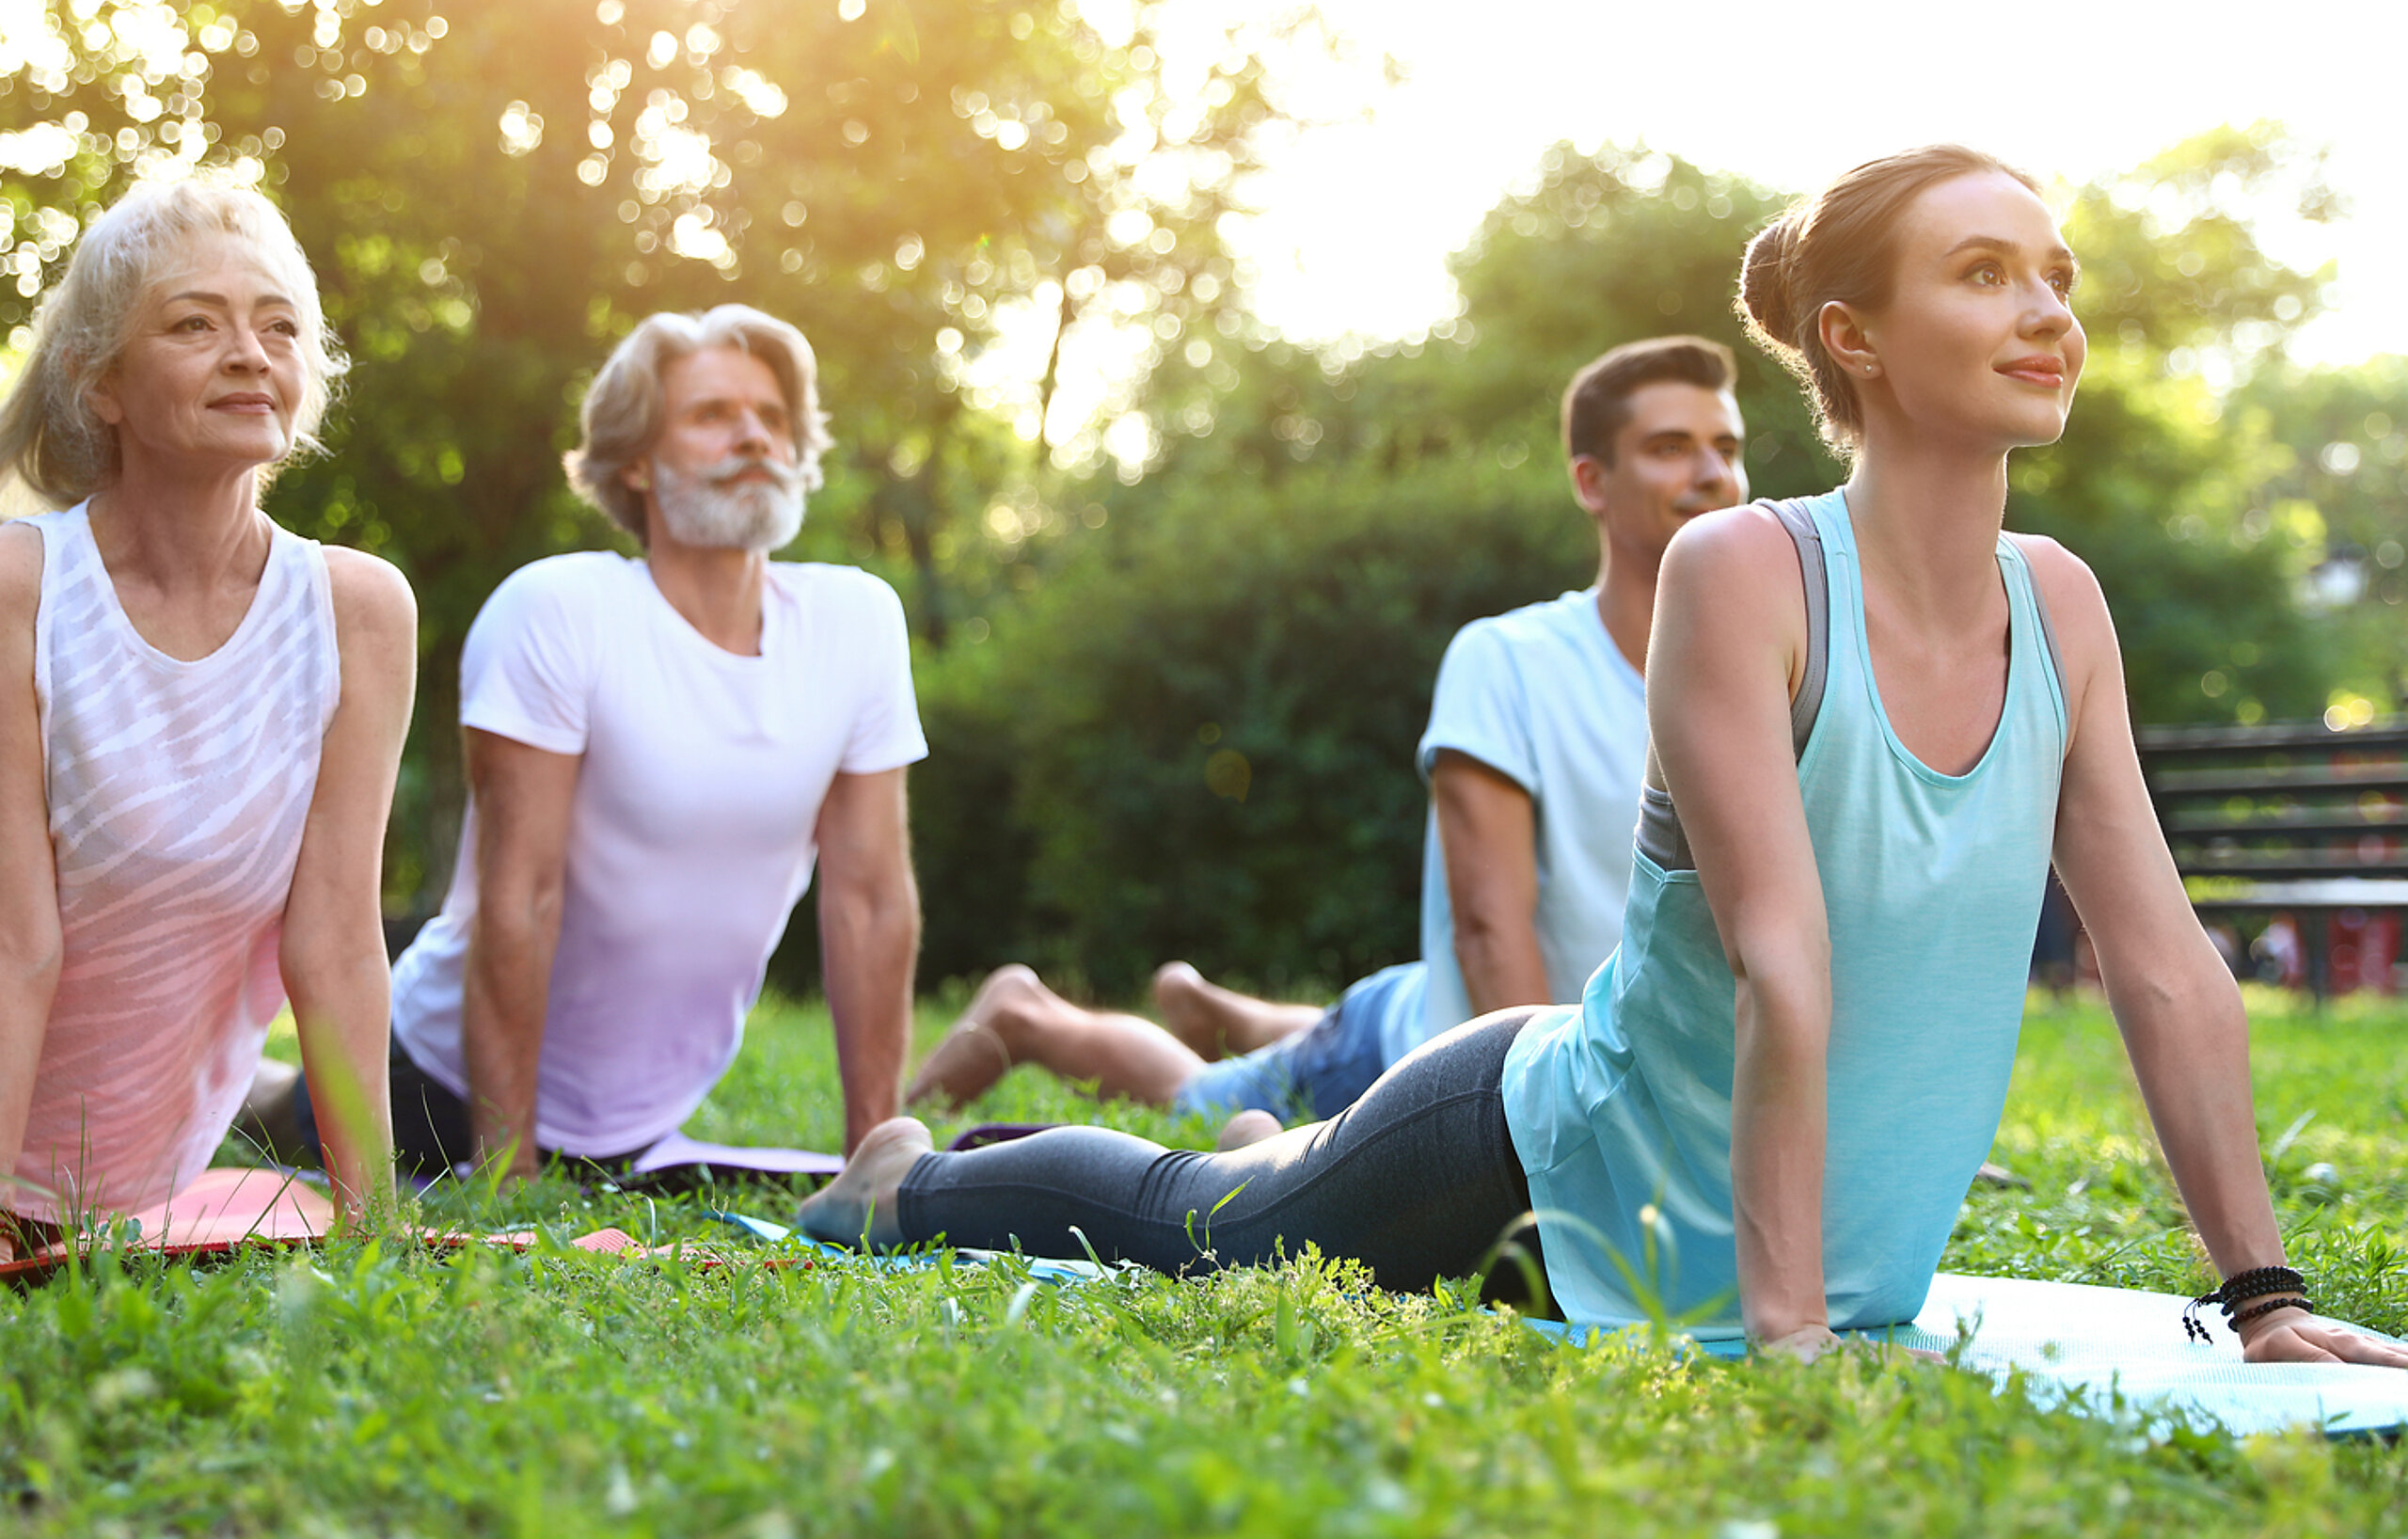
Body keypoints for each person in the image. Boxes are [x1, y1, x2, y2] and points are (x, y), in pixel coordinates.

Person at [798, 145, 2408, 1371]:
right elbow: (1783, 954)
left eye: (2054, 274)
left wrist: (2263, 1297)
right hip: (1543, 1154)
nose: (2047, 310)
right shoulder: (1748, 573)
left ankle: (1256, 1131)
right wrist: (1784, 1340)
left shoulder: (2056, 603)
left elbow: (2168, 965)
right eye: (1985, 272)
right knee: (1202, 1230)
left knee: (1246, 1187)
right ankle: (901, 1181)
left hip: (1799, 1241)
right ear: (1852, 336)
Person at [906, 340, 1747, 1132]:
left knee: (1337, 1019)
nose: (1712, 474)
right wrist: (1550, 1130)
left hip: (1455, 999)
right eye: (1671, 447)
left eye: (1727, 447)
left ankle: (1227, 1011)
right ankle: (1029, 1014)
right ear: (1591, 480)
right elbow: (1488, 928)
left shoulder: (1760, 685)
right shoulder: (1509, 660)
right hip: (1433, 1045)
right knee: (1195, 1095)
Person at [256, 306, 926, 1179]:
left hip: (637, 1127)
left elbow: (871, 899)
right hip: (430, 1080)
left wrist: (873, 1162)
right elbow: (520, 895)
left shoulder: (857, 620)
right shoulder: (561, 610)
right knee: (265, 1114)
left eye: (772, 416)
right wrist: (510, 1167)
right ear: (637, 461)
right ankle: (241, 1086)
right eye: (712, 414)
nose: (755, 435)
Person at [0, 173, 414, 1252]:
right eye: (196, 323)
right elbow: (13, 940)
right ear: (101, 386)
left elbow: (332, 940)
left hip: (138, 1184)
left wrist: (373, 1224)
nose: (250, 352)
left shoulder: (357, 611)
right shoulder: (20, 590)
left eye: (279, 326)